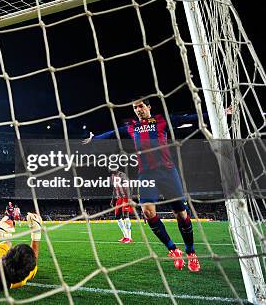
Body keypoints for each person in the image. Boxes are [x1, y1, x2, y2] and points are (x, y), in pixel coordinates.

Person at [84, 98, 204, 272]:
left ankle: (191, 252)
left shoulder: (162, 120)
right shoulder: (132, 127)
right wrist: (94, 139)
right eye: (135, 107)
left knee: (181, 214)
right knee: (147, 212)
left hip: (168, 172)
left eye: (140, 106)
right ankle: (173, 250)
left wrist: (220, 113)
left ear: (148, 107)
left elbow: (188, 118)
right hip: (146, 173)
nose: (138, 109)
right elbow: (112, 133)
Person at [110, 170, 133, 243]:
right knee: (117, 217)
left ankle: (129, 237)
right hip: (119, 198)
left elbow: (130, 186)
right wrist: (112, 200)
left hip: (126, 197)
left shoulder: (122, 175)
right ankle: (125, 236)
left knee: (126, 215)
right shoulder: (112, 177)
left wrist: (130, 198)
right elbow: (114, 189)